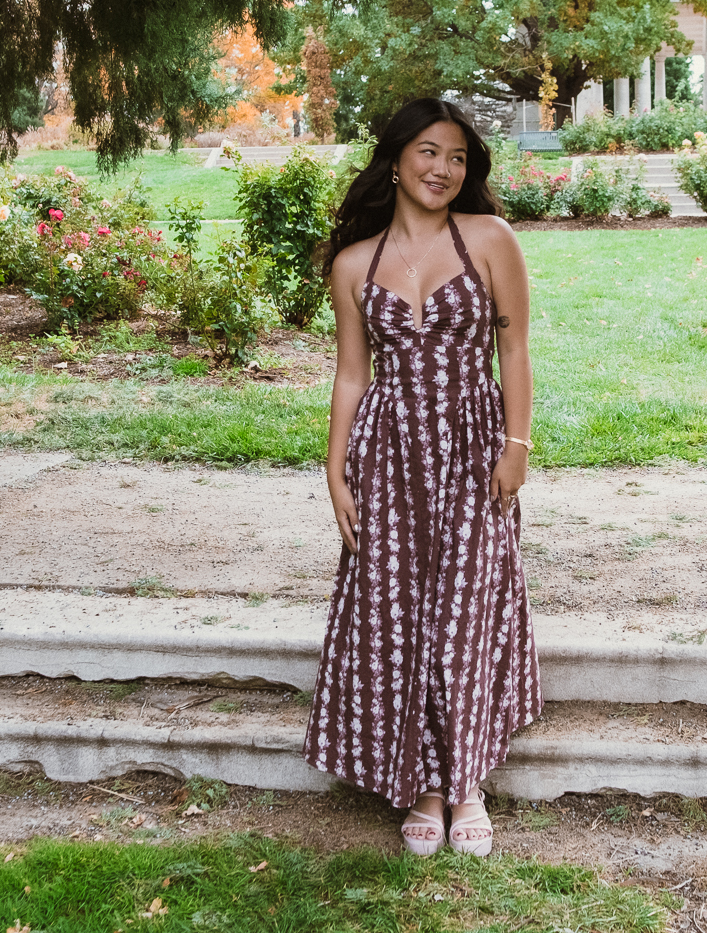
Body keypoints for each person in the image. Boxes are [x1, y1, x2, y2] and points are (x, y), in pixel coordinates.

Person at [306, 97, 540, 859]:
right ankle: (426, 788)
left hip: (474, 442)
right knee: (398, 609)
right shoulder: (353, 263)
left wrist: (517, 442)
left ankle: (466, 782)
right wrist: (335, 468)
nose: (445, 169)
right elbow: (350, 374)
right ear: (398, 157)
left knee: (467, 604)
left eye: (459, 158)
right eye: (431, 153)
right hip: (390, 448)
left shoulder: (490, 239)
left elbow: (515, 352)